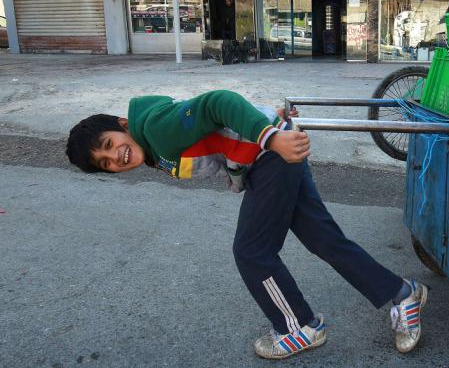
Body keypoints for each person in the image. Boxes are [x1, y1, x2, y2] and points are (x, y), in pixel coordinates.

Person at [65, 90, 428, 360]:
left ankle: (298, 327)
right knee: (323, 239)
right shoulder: (150, 137)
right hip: (270, 157)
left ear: (123, 125)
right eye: (106, 163)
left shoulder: (157, 130)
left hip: (271, 156)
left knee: (252, 252)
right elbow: (218, 129)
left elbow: (216, 103)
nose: (116, 156)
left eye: (110, 144)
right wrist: (268, 118)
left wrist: (269, 135)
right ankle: (402, 294)